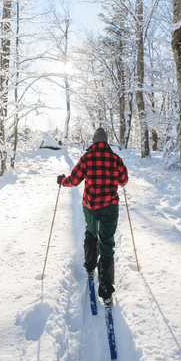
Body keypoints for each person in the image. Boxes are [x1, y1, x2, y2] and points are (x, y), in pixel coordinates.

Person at [57, 127, 128, 305]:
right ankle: (105, 289)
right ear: (106, 142)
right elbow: (124, 180)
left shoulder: (87, 158)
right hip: (110, 206)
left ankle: (90, 266)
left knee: (91, 232)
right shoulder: (115, 159)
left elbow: (73, 180)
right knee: (107, 243)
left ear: (94, 142)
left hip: (91, 205)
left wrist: (62, 181)